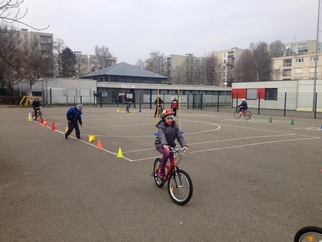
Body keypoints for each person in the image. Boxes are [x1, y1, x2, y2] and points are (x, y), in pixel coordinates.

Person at [154, 109, 189, 179]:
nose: (170, 120)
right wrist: (164, 144)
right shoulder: (161, 126)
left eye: (171, 118)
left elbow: (179, 136)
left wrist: (184, 146)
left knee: (172, 161)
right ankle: (161, 170)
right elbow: (162, 135)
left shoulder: (175, 126)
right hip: (160, 144)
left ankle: (172, 172)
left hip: (170, 145)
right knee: (167, 153)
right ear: (164, 119)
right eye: (168, 118)